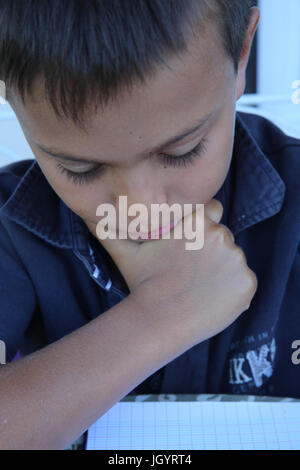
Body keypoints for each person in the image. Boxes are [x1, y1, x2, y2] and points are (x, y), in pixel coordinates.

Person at [0, 0, 299, 450]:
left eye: (181, 152)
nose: (139, 209)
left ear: (241, 54)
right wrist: (163, 311)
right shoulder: (11, 226)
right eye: (79, 169)